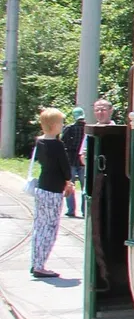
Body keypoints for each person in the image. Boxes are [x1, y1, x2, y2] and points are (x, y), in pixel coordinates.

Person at [29, 108, 74, 279]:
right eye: (61, 122)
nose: (62, 125)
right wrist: (69, 181)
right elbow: (65, 169)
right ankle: (40, 266)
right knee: (50, 228)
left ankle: (36, 262)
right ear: (54, 125)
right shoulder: (57, 145)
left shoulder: (40, 142)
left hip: (41, 187)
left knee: (39, 226)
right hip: (54, 189)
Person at [60, 108, 86, 217]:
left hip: (70, 160)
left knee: (70, 186)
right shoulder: (87, 128)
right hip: (83, 161)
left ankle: (71, 210)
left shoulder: (69, 128)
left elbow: (62, 142)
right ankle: (85, 210)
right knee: (85, 187)